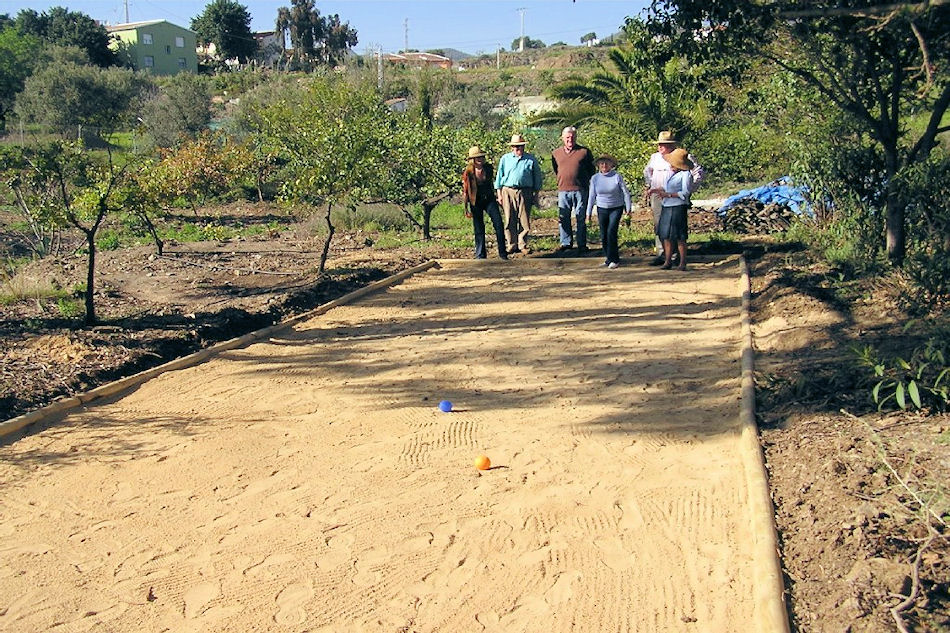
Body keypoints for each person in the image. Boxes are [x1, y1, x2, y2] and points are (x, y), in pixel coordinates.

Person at [643, 131, 704, 265]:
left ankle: (675, 256)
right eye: (659, 144)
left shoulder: (681, 156)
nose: (660, 147)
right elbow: (647, 171)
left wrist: (688, 190)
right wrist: (651, 185)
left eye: (664, 144)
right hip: (659, 194)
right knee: (660, 225)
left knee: (676, 226)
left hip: (675, 198)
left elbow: (697, 173)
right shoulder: (655, 157)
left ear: (671, 145)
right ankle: (662, 254)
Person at [494, 133, 543, 254]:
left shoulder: (531, 160)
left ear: (523, 147)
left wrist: (536, 195)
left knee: (524, 218)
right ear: (512, 147)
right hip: (508, 191)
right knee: (509, 218)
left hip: (525, 191)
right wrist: (499, 194)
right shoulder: (505, 159)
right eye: (515, 146)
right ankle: (511, 244)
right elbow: (499, 177)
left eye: (520, 146)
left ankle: (522, 244)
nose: (518, 148)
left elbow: (537, 178)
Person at [551, 126, 596, 254]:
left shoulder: (584, 152)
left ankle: (581, 244)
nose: (570, 139)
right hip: (563, 190)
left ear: (575, 137)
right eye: (567, 137)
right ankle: (566, 243)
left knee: (580, 217)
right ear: (562, 138)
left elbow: (591, 170)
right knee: (563, 217)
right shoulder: (556, 153)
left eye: (572, 137)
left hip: (580, 189)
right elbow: (556, 169)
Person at [649, 148, 694, 271]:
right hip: (667, 206)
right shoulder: (674, 175)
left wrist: (668, 195)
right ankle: (667, 261)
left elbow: (685, 192)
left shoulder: (686, 175)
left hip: (678, 207)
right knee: (666, 235)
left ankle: (682, 262)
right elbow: (667, 187)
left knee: (679, 235)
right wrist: (656, 190)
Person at [461, 146, 508, 260]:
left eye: (481, 157)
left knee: (498, 224)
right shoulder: (468, 172)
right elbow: (466, 190)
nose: (480, 159)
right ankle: (480, 255)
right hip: (475, 200)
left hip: (489, 199)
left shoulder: (488, 168)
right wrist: (466, 207)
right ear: (472, 160)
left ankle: (502, 253)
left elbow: (492, 183)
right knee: (479, 228)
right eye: (477, 157)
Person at [585, 155, 631, 269]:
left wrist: (628, 209)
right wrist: (588, 214)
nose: (604, 165)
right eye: (601, 163)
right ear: (598, 166)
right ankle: (608, 257)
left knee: (611, 231)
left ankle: (615, 259)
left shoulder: (617, 176)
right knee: (604, 234)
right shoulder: (595, 178)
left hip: (616, 207)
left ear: (611, 165)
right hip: (602, 208)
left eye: (606, 163)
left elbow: (625, 193)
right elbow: (591, 196)